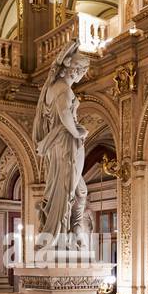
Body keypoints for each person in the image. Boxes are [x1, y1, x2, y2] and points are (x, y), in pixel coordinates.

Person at [32, 39, 91, 250]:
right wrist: (78, 131)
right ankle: (59, 231)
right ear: (73, 70)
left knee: (76, 189)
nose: (81, 76)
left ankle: (70, 229)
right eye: (81, 71)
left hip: (61, 145)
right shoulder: (62, 89)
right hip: (66, 145)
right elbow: (65, 114)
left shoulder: (54, 87)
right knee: (67, 189)